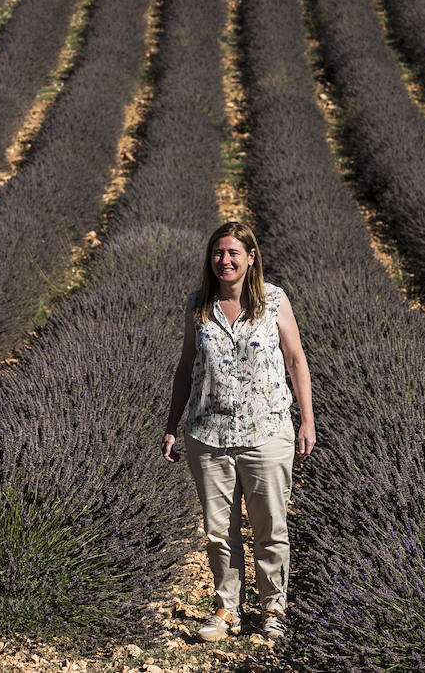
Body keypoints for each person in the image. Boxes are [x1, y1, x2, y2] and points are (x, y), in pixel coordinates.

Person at [162, 221, 315, 643]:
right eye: (217, 253)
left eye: (233, 253)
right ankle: (227, 608)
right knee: (218, 531)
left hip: (267, 432)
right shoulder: (199, 305)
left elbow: (296, 361)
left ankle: (273, 609)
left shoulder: (275, 301)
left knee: (270, 527)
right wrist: (173, 426)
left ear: (251, 258)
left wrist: (307, 419)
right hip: (208, 435)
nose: (224, 260)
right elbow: (184, 369)